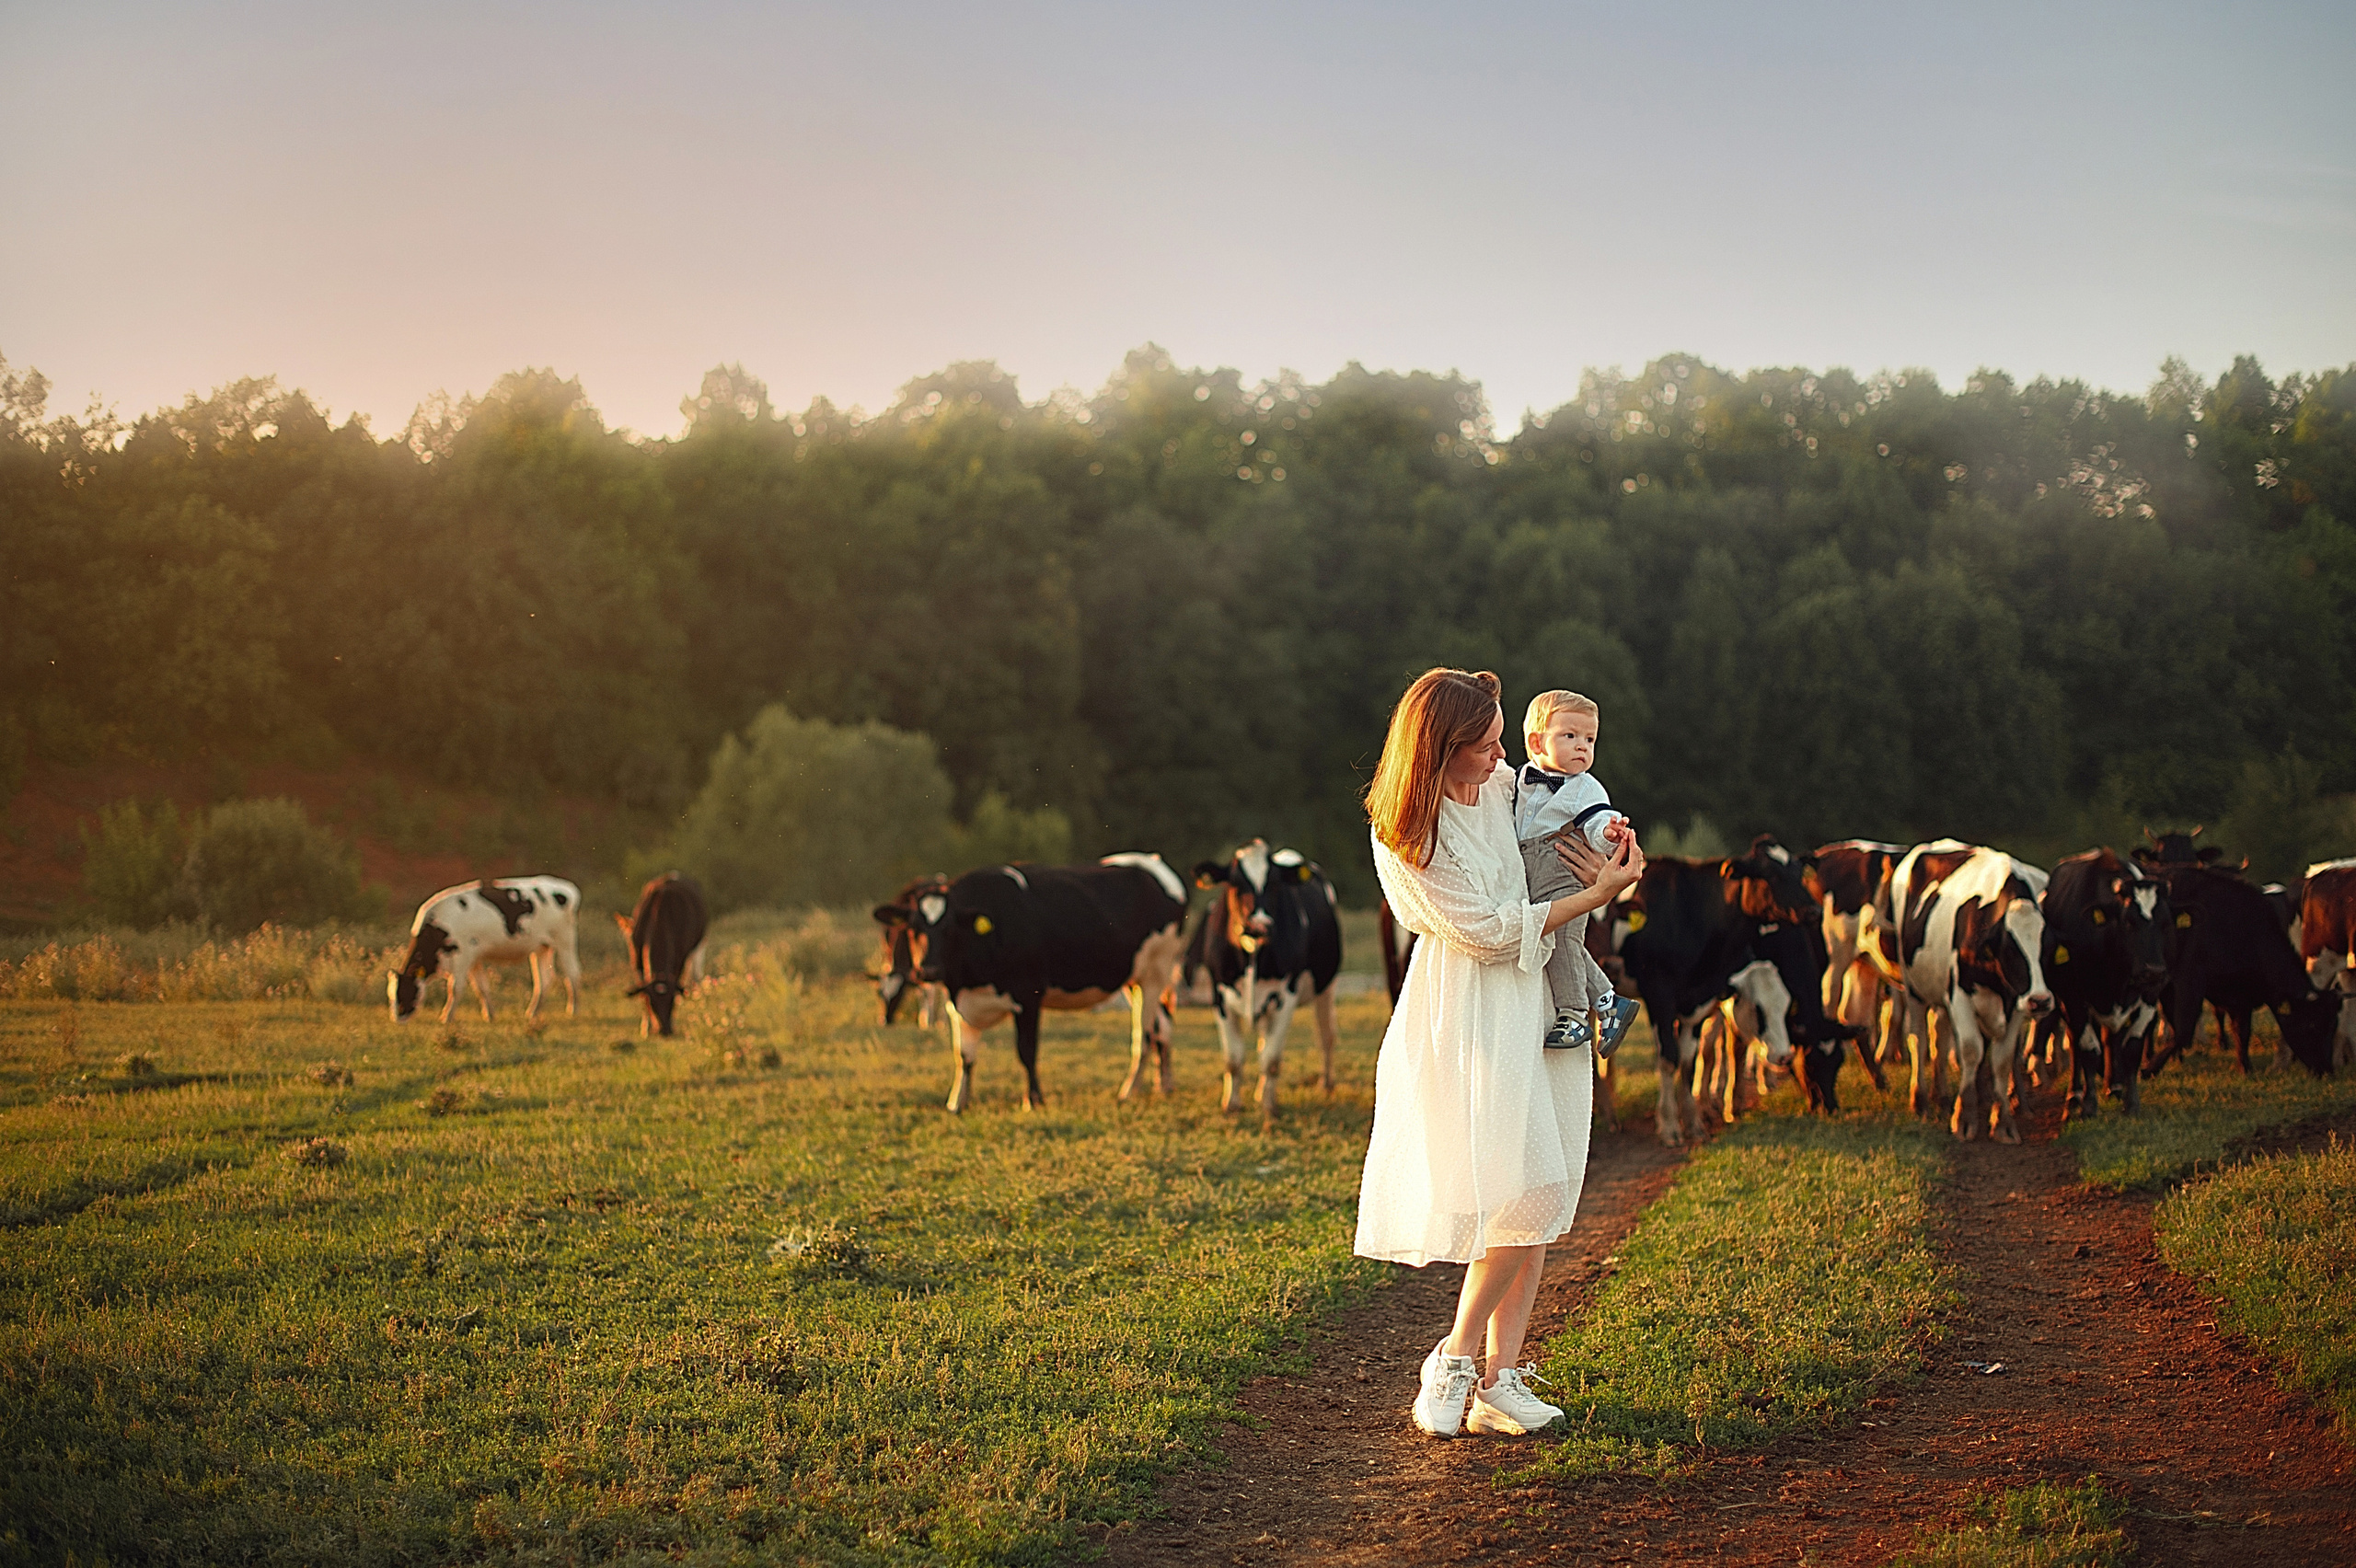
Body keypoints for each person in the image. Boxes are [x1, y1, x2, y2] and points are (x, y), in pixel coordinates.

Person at [1357, 667, 1644, 1439]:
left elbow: (1563, 820)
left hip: (1540, 997)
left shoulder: (1503, 786)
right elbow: (1484, 931)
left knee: (1540, 1191)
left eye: (1499, 744)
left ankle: (1499, 1377)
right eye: (1485, 747)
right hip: (1475, 1007)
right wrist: (1593, 898)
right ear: (1439, 749)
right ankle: (1451, 1358)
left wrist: (1610, 847)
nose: (1500, 761)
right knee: (1508, 1192)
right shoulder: (1405, 833)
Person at [1516, 689, 1644, 1055]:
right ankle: (1608, 1003)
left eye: (1589, 739)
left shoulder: (1585, 786)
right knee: (1555, 941)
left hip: (1562, 870)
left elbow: (1597, 819)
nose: (1582, 747)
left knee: (1565, 941)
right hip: (1535, 873)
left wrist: (1608, 833)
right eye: (1570, 737)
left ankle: (1573, 1014)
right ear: (1536, 741)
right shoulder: (1520, 781)